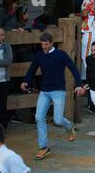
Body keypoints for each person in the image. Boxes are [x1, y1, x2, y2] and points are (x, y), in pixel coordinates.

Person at [21, 32, 85, 160]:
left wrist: (79, 85)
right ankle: (44, 147)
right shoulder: (39, 55)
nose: (43, 47)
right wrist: (26, 81)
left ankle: (69, 126)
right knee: (39, 117)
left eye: (46, 44)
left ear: (51, 43)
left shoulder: (60, 54)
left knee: (58, 120)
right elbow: (32, 70)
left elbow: (73, 68)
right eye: (42, 44)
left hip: (58, 91)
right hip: (44, 91)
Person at [80, 0, 95, 82]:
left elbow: (84, 13)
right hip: (91, 30)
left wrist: (77, 14)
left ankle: (92, 79)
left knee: (86, 57)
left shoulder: (87, 0)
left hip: (89, 31)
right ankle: (84, 79)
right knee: (86, 56)